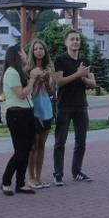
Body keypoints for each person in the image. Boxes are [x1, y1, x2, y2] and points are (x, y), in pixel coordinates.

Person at [53, 29, 96, 186]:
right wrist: (77, 75)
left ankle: (77, 171)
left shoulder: (85, 61)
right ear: (66, 42)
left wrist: (83, 77)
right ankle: (58, 174)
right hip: (64, 105)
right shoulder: (60, 60)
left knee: (81, 142)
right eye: (72, 39)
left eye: (77, 39)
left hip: (81, 105)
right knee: (60, 142)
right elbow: (59, 81)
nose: (75, 42)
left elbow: (93, 84)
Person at [0, 45, 42, 196]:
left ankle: (20, 183)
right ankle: (6, 181)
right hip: (17, 114)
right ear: (17, 54)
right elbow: (21, 94)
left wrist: (37, 81)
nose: (26, 55)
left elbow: (30, 93)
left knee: (27, 150)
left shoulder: (21, 71)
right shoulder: (11, 72)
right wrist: (33, 79)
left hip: (27, 113)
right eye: (23, 52)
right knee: (21, 151)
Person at [26, 39, 54, 189]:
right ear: (32, 51)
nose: (38, 51)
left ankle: (39, 176)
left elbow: (51, 91)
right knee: (33, 146)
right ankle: (31, 177)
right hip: (33, 110)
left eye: (41, 48)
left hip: (46, 109)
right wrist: (37, 81)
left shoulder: (49, 67)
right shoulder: (28, 69)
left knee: (42, 144)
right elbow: (30, 92)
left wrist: (47, 82)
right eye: (36, 49)